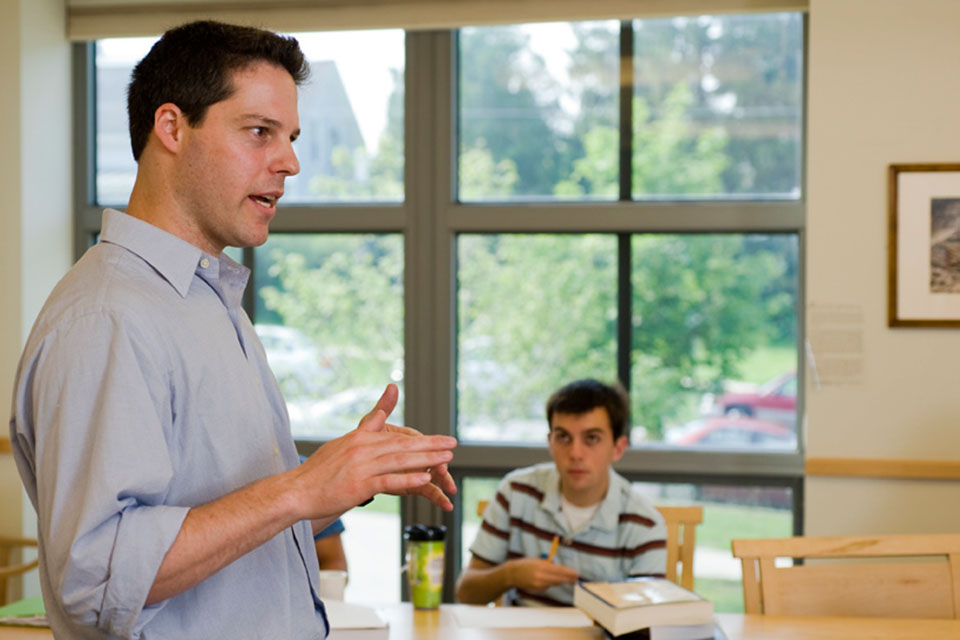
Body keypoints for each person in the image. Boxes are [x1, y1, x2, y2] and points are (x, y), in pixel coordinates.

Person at [8, 20, 456, 639]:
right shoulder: (108, 318)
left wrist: (340, 477)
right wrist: (301, 487)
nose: (290, 161)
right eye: (258, 132)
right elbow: (100, 577)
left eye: (290, 137)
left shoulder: (208, 301)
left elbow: (232, 513)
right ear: (171, 128)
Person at [455, 378, 666, 606]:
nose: (575, 453)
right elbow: (466, 593)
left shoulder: (644, 523)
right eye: (563, 437)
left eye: (591, 438)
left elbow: (646, 623)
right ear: (550, 442)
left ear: (618, 448)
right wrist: (510, 575)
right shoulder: (516, 491)